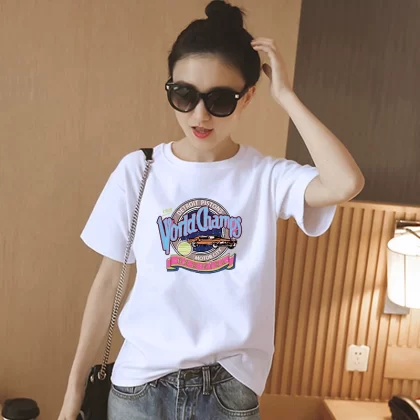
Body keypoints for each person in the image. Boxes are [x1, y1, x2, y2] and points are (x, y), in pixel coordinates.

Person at [58, 1, 365, 419]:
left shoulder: (266, 177)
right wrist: (73, 393)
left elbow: (345, 183)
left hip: (227, 392)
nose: (199, 115)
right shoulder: (140, 169)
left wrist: (286, 97)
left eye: (220, 100)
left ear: (248, 96)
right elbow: (110, 281)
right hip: (139, 388)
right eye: (184, 94)